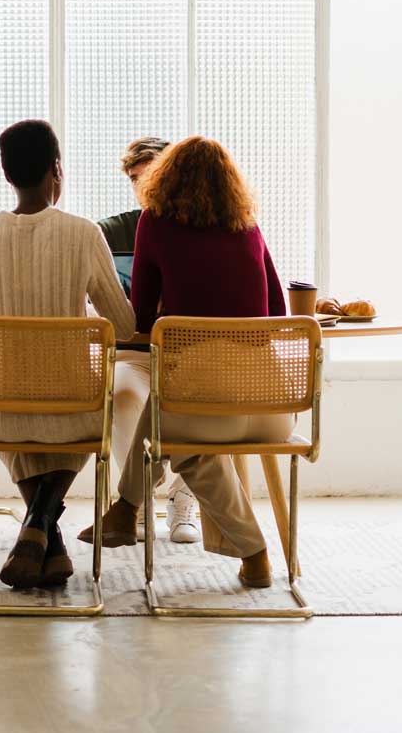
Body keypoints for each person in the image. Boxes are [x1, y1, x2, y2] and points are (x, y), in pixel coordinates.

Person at [0, 120, 136, 590]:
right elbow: (122, 326)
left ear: (5, 172)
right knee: (84, 409)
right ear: (56, 169)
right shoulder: (83, 234)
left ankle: (40, 536)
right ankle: (40, 521)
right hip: (73, 413)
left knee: (23, 411)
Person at [78, 136, 292, 589]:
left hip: (206, 402)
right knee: (170, 415)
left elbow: (139, 315)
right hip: (273, 409)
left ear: (165, 177)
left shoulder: (155, 224)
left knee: (179, 435)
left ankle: (247, 550)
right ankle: (123, 511)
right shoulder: (248, 225)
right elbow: (278, 311)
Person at [97, 137, 201, 545]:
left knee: (211, 394)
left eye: (154, 176)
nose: (145, 187)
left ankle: (183, 497)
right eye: (137, 179)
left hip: (188, 353)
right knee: (122, 394)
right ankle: (135, 498)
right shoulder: (110, 231)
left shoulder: (201, 226)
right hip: (133, 352)